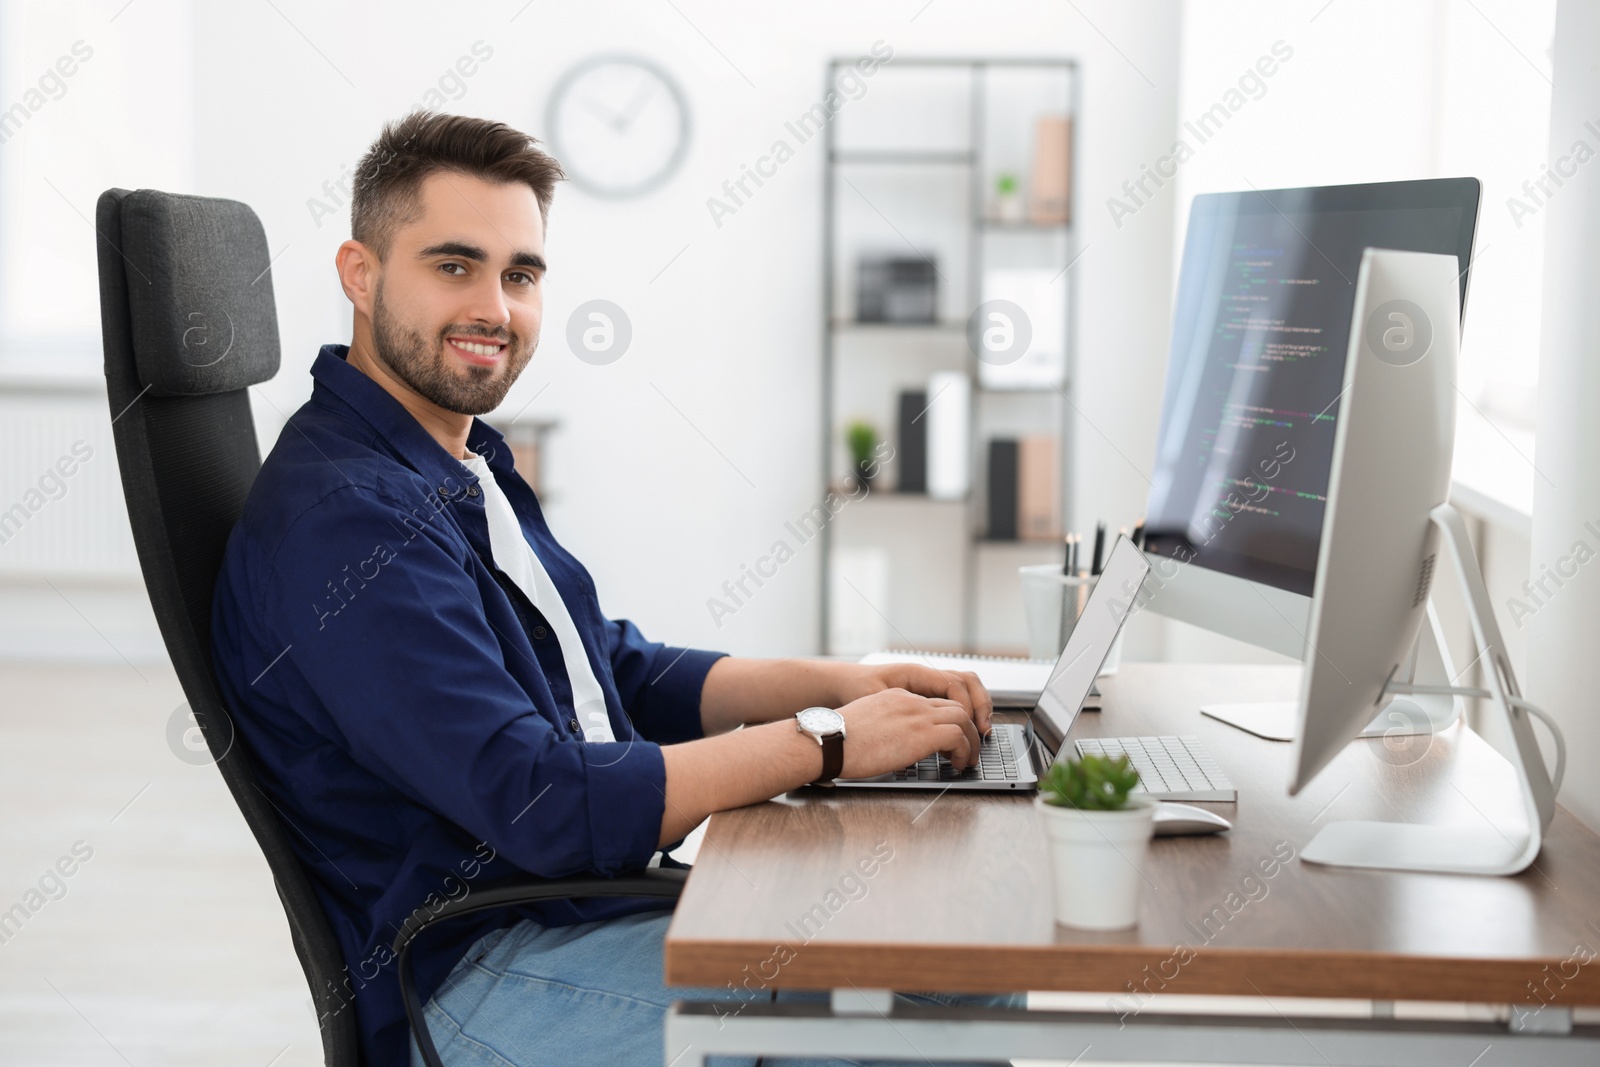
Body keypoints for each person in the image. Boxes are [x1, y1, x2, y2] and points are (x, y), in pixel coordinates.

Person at [211, 110, 1017, 1067]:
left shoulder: (454, 460)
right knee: (900, 1025)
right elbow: (538, 797)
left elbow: (613, 673)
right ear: (361, 272)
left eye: (521, 275)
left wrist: (844, 683)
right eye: (453, 265)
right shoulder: (349, 519)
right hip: (482, 971)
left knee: (968, 964)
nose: (496, 309)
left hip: (581, 909)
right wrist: (827, 742)